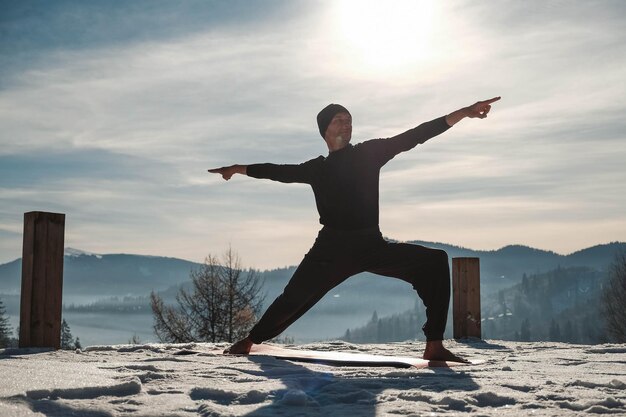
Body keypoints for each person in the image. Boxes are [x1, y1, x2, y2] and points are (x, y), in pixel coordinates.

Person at [209, 96, 501, 361]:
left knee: (434, 262)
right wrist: (237, 168)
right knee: (293, 298)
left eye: (350, 120)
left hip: (370, 245)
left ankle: (433, 345)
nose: (347, 124)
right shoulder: (317, 168)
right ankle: (251, 340)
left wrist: (463, 112)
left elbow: (415, 136)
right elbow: (276, 171)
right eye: (340, 119)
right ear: (325, 129)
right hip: (330, 248)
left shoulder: (369, 153)